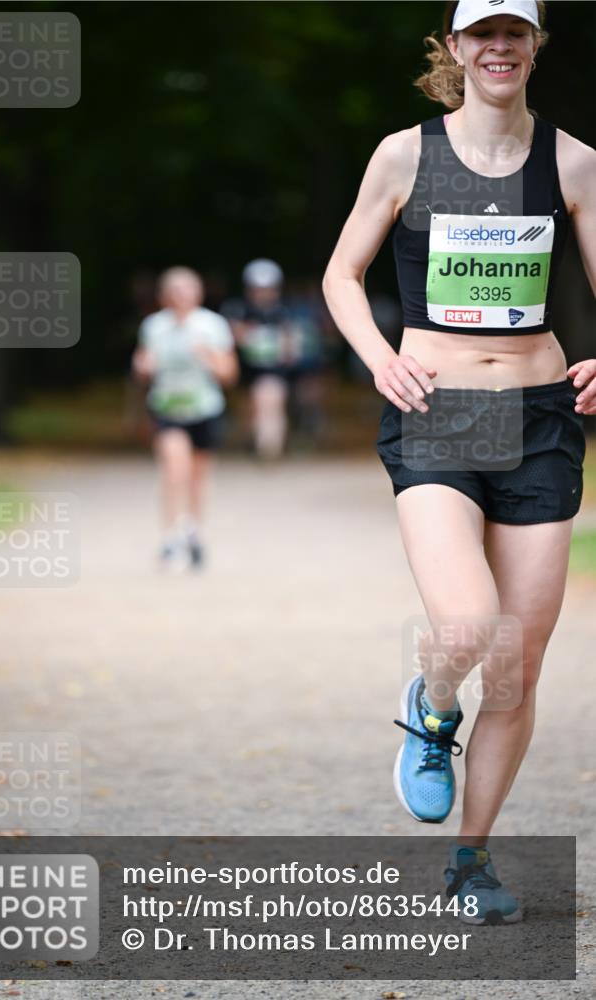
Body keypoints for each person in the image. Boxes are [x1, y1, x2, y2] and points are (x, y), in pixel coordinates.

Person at [323, 0, 595, 924]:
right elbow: (339, 275)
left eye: (514, 32)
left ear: (533, 46)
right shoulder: (404, 155)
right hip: (438, 411)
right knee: (472, 624)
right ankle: (432, 708)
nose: (498, 47)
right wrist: (378, 356)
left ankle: (468, 861)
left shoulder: (574, 162)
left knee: (518, 668)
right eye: (481, 32)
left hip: (538, 416)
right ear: (453, 47)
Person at [132, 267, 238, 571]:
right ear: (164, 296)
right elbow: (142, 368)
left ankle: (194, 531)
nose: (182, 295)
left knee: (197, 477)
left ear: (198, 292)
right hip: (167, 409)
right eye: (175, 290)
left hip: (205, 409)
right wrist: (142, 367)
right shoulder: (153, 326)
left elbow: (229, 374)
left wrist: (211, 360)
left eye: (188, 288)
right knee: (173, 469)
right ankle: (170, 536)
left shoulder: (212, 325)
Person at [221, 259, 296, 458]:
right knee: (249, 413)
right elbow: (229, 336)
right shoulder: (236, 308)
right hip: (242, 373)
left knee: (270, 402)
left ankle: (269, 451)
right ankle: (255, 444)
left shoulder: (283, 312)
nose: (263, 293)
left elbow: (290, 348)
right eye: (258, 288)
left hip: (272, 372)